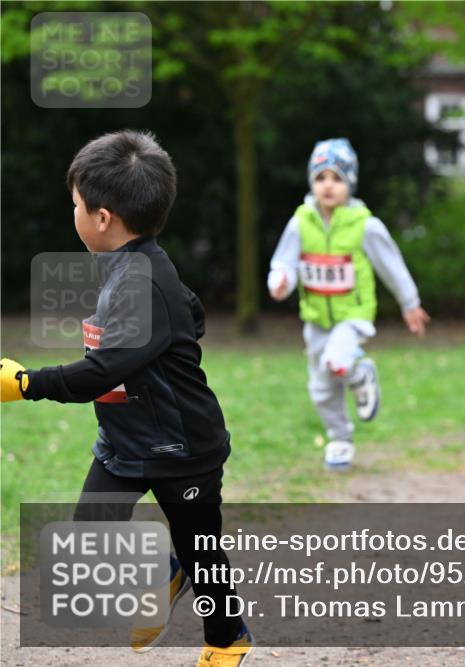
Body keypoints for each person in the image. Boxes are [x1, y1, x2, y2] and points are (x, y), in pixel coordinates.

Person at [0, 130, 254, 665]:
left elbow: (102, 371)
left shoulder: (141, 279)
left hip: (184, 451)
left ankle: (226, 641)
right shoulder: (127, 265)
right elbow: (191, 310)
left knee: (202, 551)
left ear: (102, 217)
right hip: (125, 440)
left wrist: (26, 384)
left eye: (74, 204)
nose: (72, 213)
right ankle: (165, 572)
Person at [267, 138, 430, 469]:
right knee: (320, 388)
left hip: (352, 315)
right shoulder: (300, 223)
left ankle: (359, 372)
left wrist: (410, 303)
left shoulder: (365, 225)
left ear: (350, 184)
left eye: (337, 178)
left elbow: (392, 265)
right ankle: (340, 439)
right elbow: (283, 264)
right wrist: (280, 283)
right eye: (321, 177)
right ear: (312, 182)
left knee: (336, 361)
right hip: (315, 319)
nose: (328, 185)